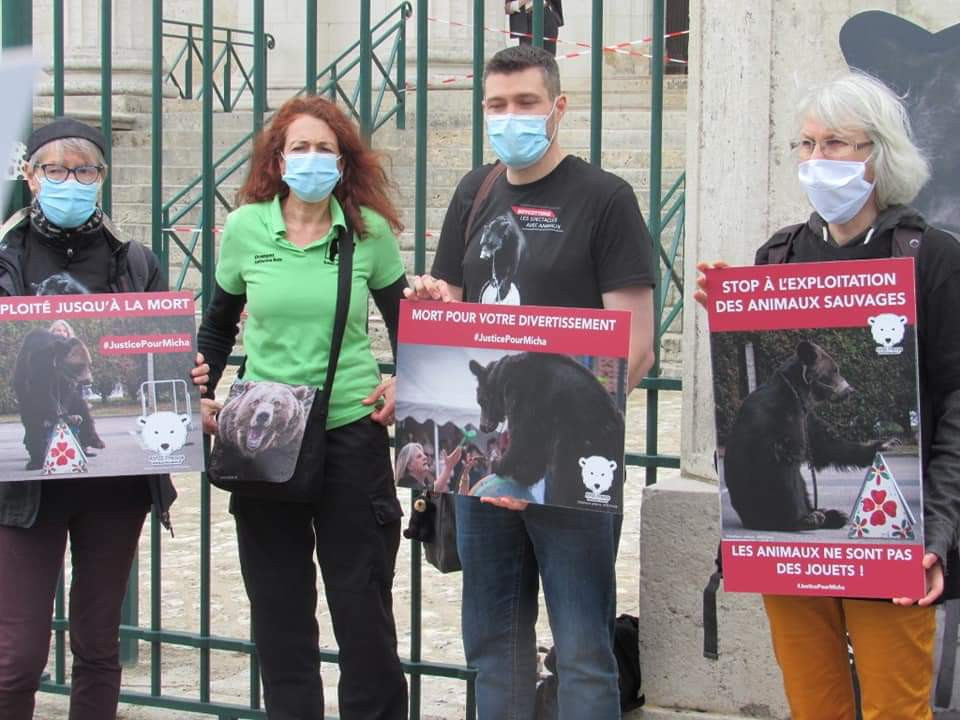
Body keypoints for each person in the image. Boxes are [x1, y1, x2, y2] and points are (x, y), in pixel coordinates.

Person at [695, 72, 960, 720]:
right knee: (815, 707)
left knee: (896, 710)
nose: (817, 161)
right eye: (806, 145)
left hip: (894, 535)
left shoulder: (932, 258)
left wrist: (937, 530)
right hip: (790, 547)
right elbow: (753, 405)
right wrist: (735, 315)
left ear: (879, 154)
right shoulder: (780, 257)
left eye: (836, 144)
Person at [406, 45, 655, 720]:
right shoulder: (473, 192)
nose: (509, 117)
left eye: (525, 104)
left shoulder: (605, 199)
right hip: (490, 467)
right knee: (492, 645)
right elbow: (454, 317)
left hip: (569, 469)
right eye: (497, 105)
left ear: (558, 109)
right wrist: (431, 306)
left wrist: (541, 468)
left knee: (581, 650)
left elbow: (634, 346)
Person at [196, 95, 409, 720]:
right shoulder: (246, 229)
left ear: (343, 163)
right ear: (277, 158)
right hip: (263, 437)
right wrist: (203, 388)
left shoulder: (366, 232)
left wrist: (406, 384)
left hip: (350, 432)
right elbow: (218, 323)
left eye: (325, 149)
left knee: (362, 606)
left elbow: (409, 330)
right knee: (279, 609)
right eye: (300, 148)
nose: (311, 159)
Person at [0, 117, 208, 720]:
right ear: (30, 176)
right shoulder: (5, 259)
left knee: (97, 647)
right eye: (55, 169)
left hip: (114, 483)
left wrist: (186, 375)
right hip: (23, 488)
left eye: (84, 169)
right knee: (15, 656)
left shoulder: (135, 261)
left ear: (103, 177)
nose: (71, 180)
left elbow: (158, 359)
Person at [396, 441, 462, 492]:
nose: (425, 457)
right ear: (409, 466)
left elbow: (434, 489)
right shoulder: (407, 485)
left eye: (423, 454)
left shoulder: (418, 484)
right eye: (419, 456)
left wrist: (449, 467)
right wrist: (448, 468)